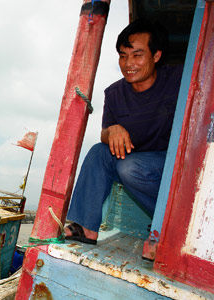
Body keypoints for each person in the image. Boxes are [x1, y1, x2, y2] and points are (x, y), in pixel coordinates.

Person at [64, 19, 183, 244]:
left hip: (174, 163)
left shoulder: (179, 80)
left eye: (137, 55)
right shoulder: (114, 93)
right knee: (99, 152)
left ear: (156, 56)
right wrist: (113, 131)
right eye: (123, 55)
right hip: (136, 161)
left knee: (129, 167)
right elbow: (104, 134)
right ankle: (86, 226)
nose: (128, 63)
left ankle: (168, 229)